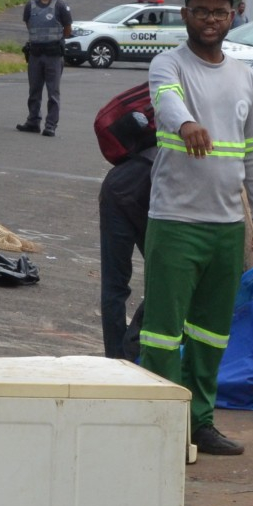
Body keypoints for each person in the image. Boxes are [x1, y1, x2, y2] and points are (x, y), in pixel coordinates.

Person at [141, 0, 253, 457]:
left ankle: (200, 422)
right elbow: (166, 100)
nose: (210, 20)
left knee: (211, 334)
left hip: (226, 226)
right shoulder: (168, 64)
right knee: (161, 332)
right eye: (201, 11)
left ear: (233, 14)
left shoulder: (243, 76)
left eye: (219, 12)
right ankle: (159, 425)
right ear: (185, 14)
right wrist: (186, 123)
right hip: (175, 222)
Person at [96, 90, 160, 360]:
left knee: (115, 282)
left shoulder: (163, 93)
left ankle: (117, 356)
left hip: (119, 184)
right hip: (147, 189)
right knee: (165, 278)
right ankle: (127, 352)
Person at [17, 0, 73, 137]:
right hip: (35, 54)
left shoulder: (60, 6)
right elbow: (29, 24)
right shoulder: (30, 5)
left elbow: (68, 29)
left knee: (53, 92)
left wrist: (54, 41)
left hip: (53, 56)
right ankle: (33, 121)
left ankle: (50, 125)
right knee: (34, 90)